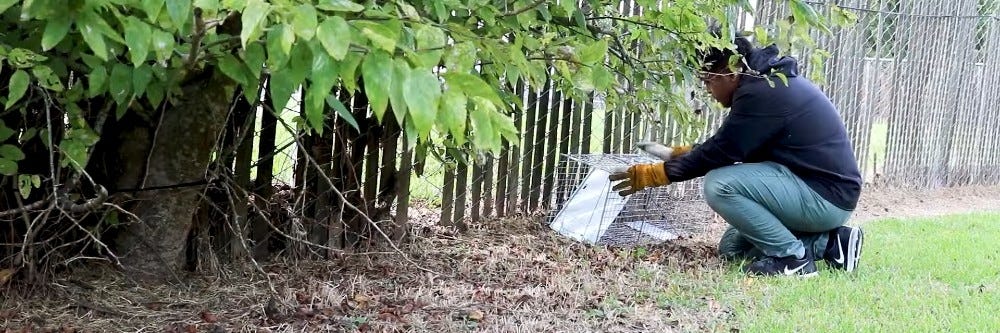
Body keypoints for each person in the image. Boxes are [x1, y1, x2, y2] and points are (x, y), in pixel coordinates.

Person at [609, 35, 864, 277]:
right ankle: (831, 243)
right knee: (733, 249)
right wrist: (683, 153)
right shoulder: (766, 83)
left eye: (708, 81)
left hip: (824, 196)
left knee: (719, 184)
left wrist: (658, 173)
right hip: (812, 189)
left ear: (730, 71)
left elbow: (725, 150)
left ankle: (793, 260)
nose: (707, 89)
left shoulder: (763, 91)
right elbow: (737, 143)